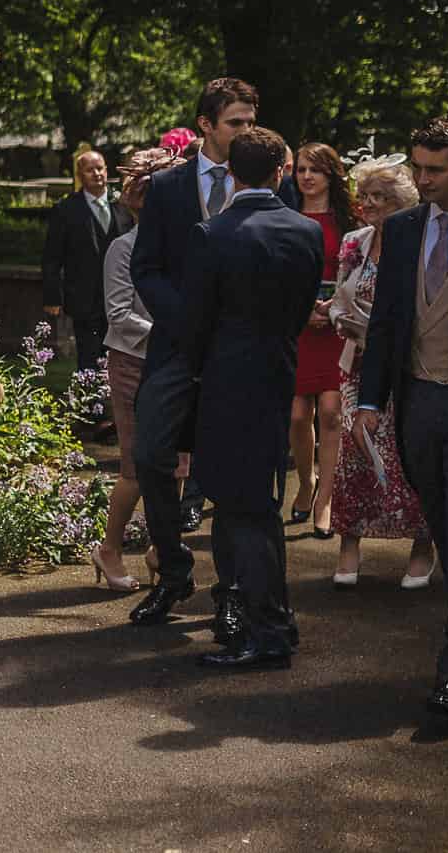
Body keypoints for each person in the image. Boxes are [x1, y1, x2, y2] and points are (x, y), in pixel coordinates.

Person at [182, 127, 324, 669]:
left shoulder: (213, 234)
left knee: (246, 511)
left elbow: (196, 324)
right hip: (277, 376)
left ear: (232, 173)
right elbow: (300, 308)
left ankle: (268, 629)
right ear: (281, 172)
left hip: (224, 383)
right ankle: (250, 616)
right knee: (255, 503)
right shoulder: (305, 232)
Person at [128, 76, 260, 627]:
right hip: (176, 347)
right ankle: (175, 575)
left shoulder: (268, 182)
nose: (247, 132)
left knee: (228, 468)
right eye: (237, 123)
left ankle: (230, 590)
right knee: (150, 453)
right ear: (206, 126)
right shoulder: (167, 189)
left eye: (252, 122)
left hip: (238, 350)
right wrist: (182, 318)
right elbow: (146, 267)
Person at [358, 113, 448, 725]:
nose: (421, 180)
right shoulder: (402, 229)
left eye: (435, 169)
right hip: (420, 400)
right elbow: (386, 323)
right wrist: (371, 401)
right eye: (417, 167)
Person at [327, 158, 434, 589]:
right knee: (355, 452)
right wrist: (338, 317)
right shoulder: (354, 243)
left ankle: (423, 545)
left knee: (411, 454)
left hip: (407, 364)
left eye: (380, 198)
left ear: (402, 203)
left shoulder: (418, 241)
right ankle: (349, 544)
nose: (369, 204)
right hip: (356, 363)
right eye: (366, 196)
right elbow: (339, 296)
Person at [90, 146, 177, 591]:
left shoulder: (187, 246)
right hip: (134, 363)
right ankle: (109, 548)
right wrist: (175, 330)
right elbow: (120, 315)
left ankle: (165, 550)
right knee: (136, 467)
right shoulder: (122, 249)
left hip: (177, 361)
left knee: (177, 465)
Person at [288, 142, 356, 536]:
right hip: (297, 323)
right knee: (297, 414)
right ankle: (306, 482)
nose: (307, 177)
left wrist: (332, 306)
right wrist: (304, 307)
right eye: (300, 170)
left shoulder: (351, 220)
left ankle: (326, 500)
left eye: (315, 170)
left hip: (338, 323)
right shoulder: (287, 216)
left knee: (331, 413)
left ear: (331, 174)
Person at [42, 149, 129, 374]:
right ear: (80, 175)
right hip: (83, 298)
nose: (97, 174)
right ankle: (89, 404)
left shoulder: (124, 206)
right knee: (89, 355)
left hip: (120, 295)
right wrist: (53, 296)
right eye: (90, 170)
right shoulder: (66, 209)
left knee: (120, 355)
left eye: (100, 168)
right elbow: (52, 257)